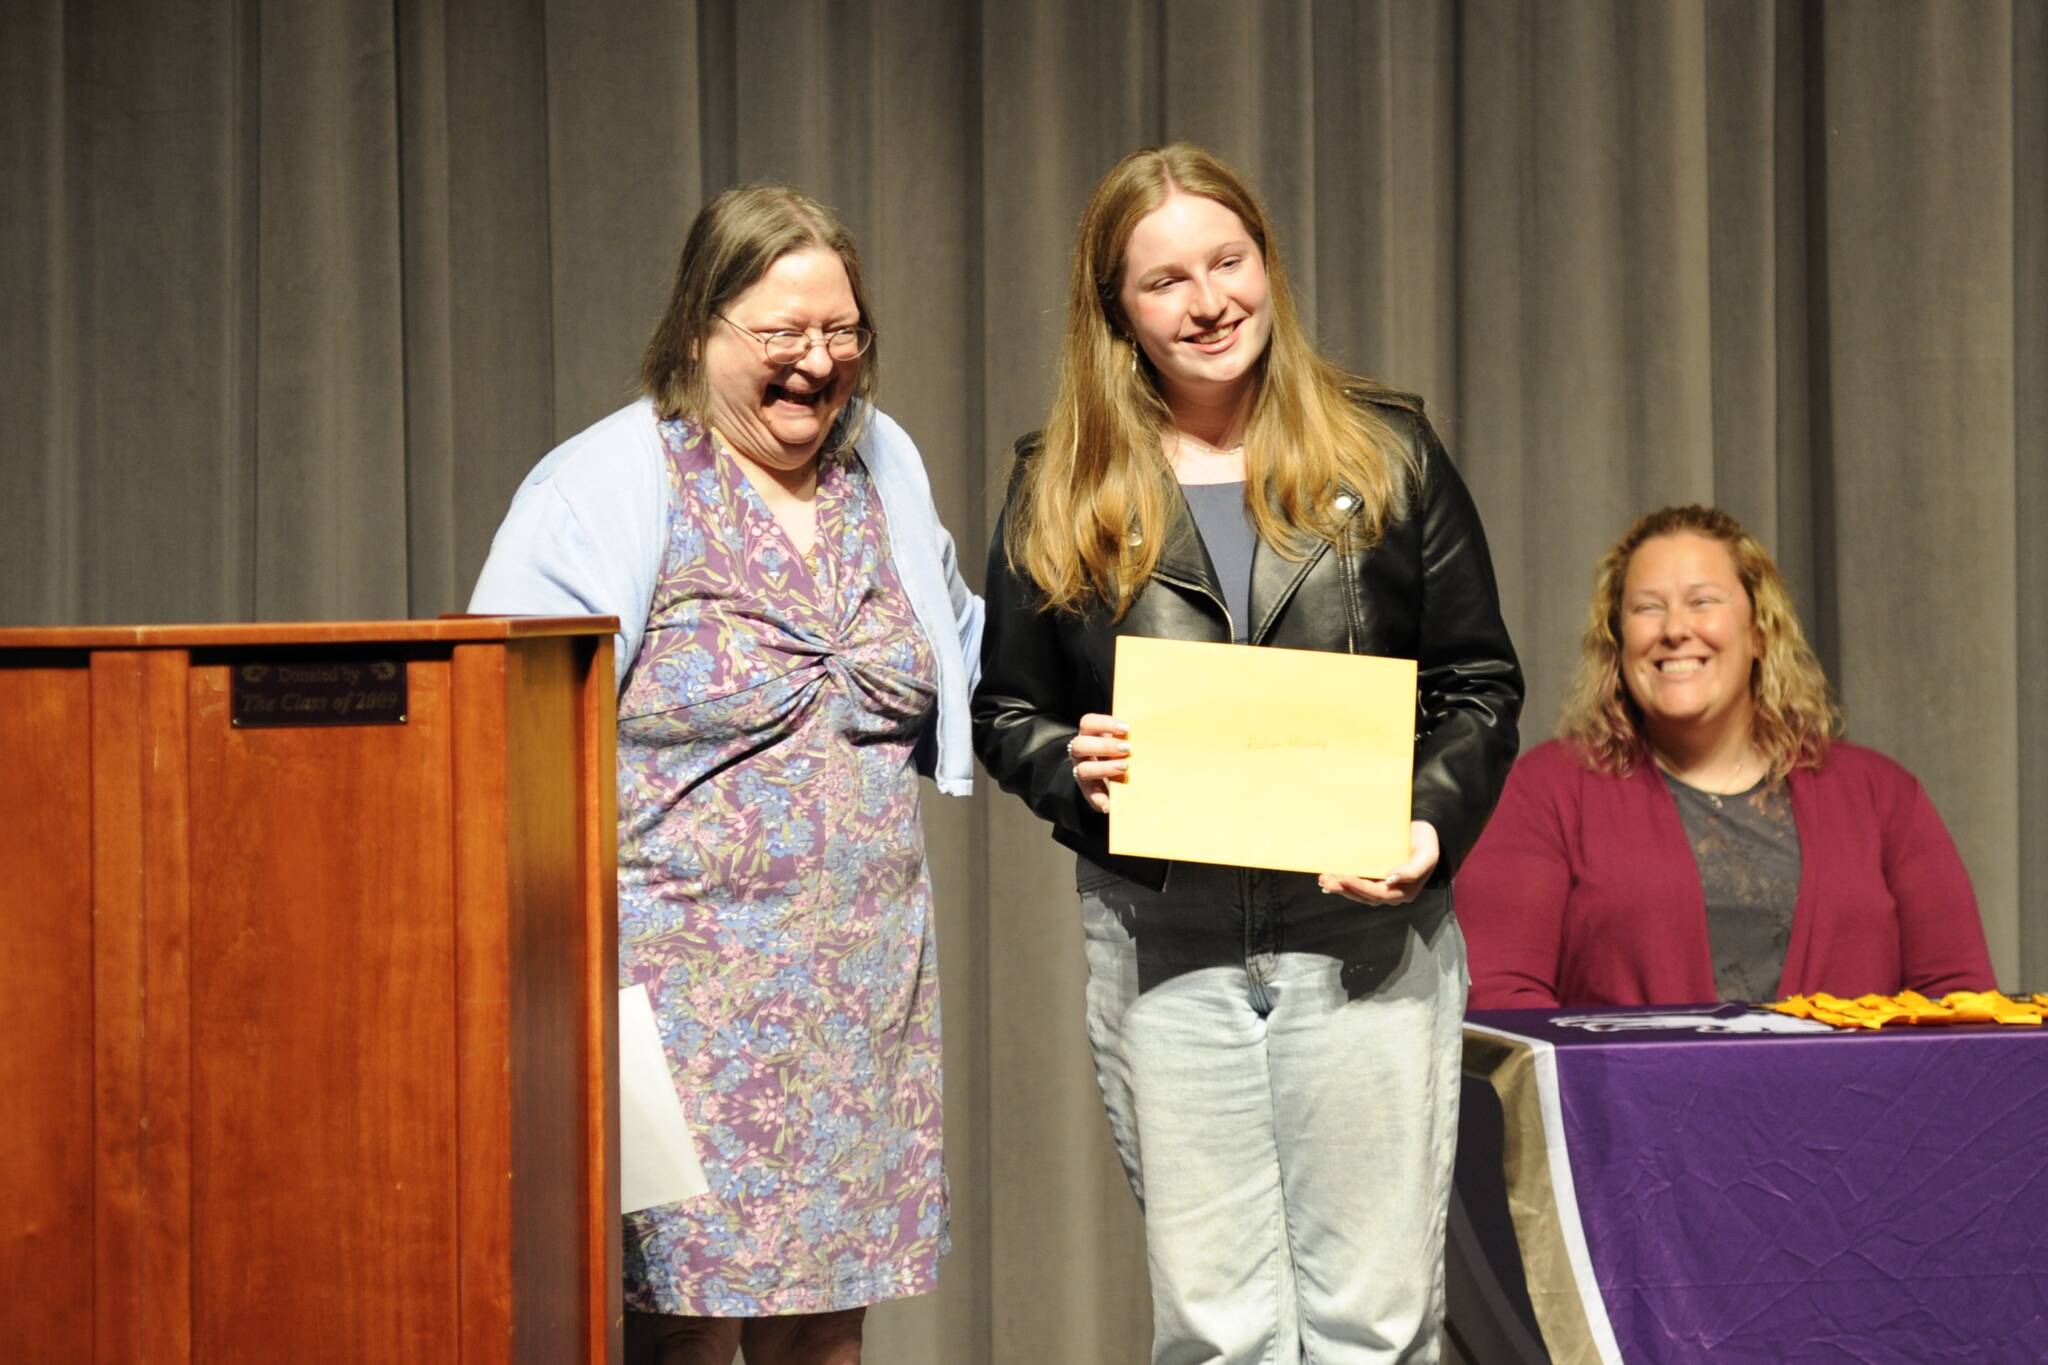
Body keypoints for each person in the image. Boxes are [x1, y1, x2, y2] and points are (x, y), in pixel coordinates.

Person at [971, 143, 1523, 1365]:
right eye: (1165, 279)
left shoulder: (1384, 452)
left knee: (1374, 1325)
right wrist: (1071, 765)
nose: (1208, 300)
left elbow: (1476, 684)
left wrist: (1427, 824)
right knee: (1216, 1331)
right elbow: (1005, 709)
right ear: (1115, 308)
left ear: (1266, 263)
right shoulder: (1057, 483)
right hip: (1163, 937)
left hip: (1361, 932)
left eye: (1227, 262)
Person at [469, 184, 982, 1365]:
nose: (819, 360)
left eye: (841, 331)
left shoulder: (880, 465)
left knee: (825, 1338)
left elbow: (962, 652)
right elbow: (501, 728)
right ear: (700, 327)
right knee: (682, 1335)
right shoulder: (605, 484)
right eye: (782, 332)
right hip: (667, 1002)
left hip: (857, 992)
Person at [1458, 504, 1994, 1009]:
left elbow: (1959, 1002)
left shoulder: (1883, 797)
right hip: (1623, 1086)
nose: (1675, 630)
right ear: (1617, 643)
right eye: (1647, 608)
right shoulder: (1545, 792)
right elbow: (1503, 999)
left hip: (1856, 1086)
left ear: (1759, 633)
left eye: (1703, 602)